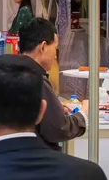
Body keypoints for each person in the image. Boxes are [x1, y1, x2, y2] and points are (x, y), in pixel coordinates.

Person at [17, 19, 84, 149]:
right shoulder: (36, 80)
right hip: (36, 154)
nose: (55, 56)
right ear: (43, 47)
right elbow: (59, 128)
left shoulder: (11, 72)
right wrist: (83, 115)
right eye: (55, 48)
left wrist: (55, 109)